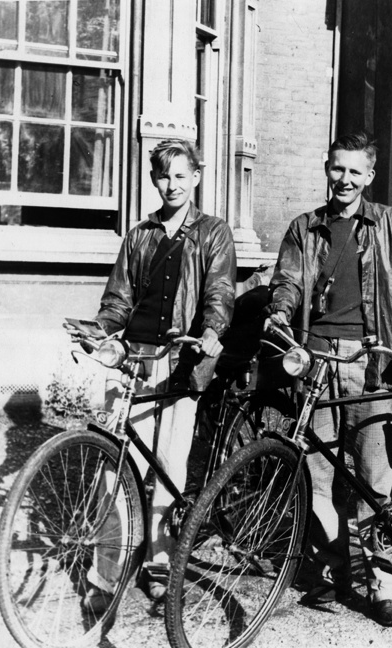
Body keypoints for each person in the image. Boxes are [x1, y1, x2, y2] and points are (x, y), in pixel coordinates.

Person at [267, 132, 392, 626]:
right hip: (315, 361)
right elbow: (286, 282)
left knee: (375, 477)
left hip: (372, 365)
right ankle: (332, 572)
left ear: (369, 176)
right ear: (326, 170)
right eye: (336, 169)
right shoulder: (304, 229)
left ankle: (383, 583)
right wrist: (280, 313)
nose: (344, 179)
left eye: (354, 171)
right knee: (317, 473)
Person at [80, 138, 236, 610]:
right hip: (132, 359)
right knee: (118, 466)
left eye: (181, 175)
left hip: (181, 360)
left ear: (196, 178)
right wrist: (100, 332)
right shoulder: (140, 235)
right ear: (154, 179)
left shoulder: (213, 233)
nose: (173, 184)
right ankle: (106, 572)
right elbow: (118, 299)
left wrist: (212, 330)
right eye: (164, 176)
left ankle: (159, 564)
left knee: (169, 465)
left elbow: (221, 291)